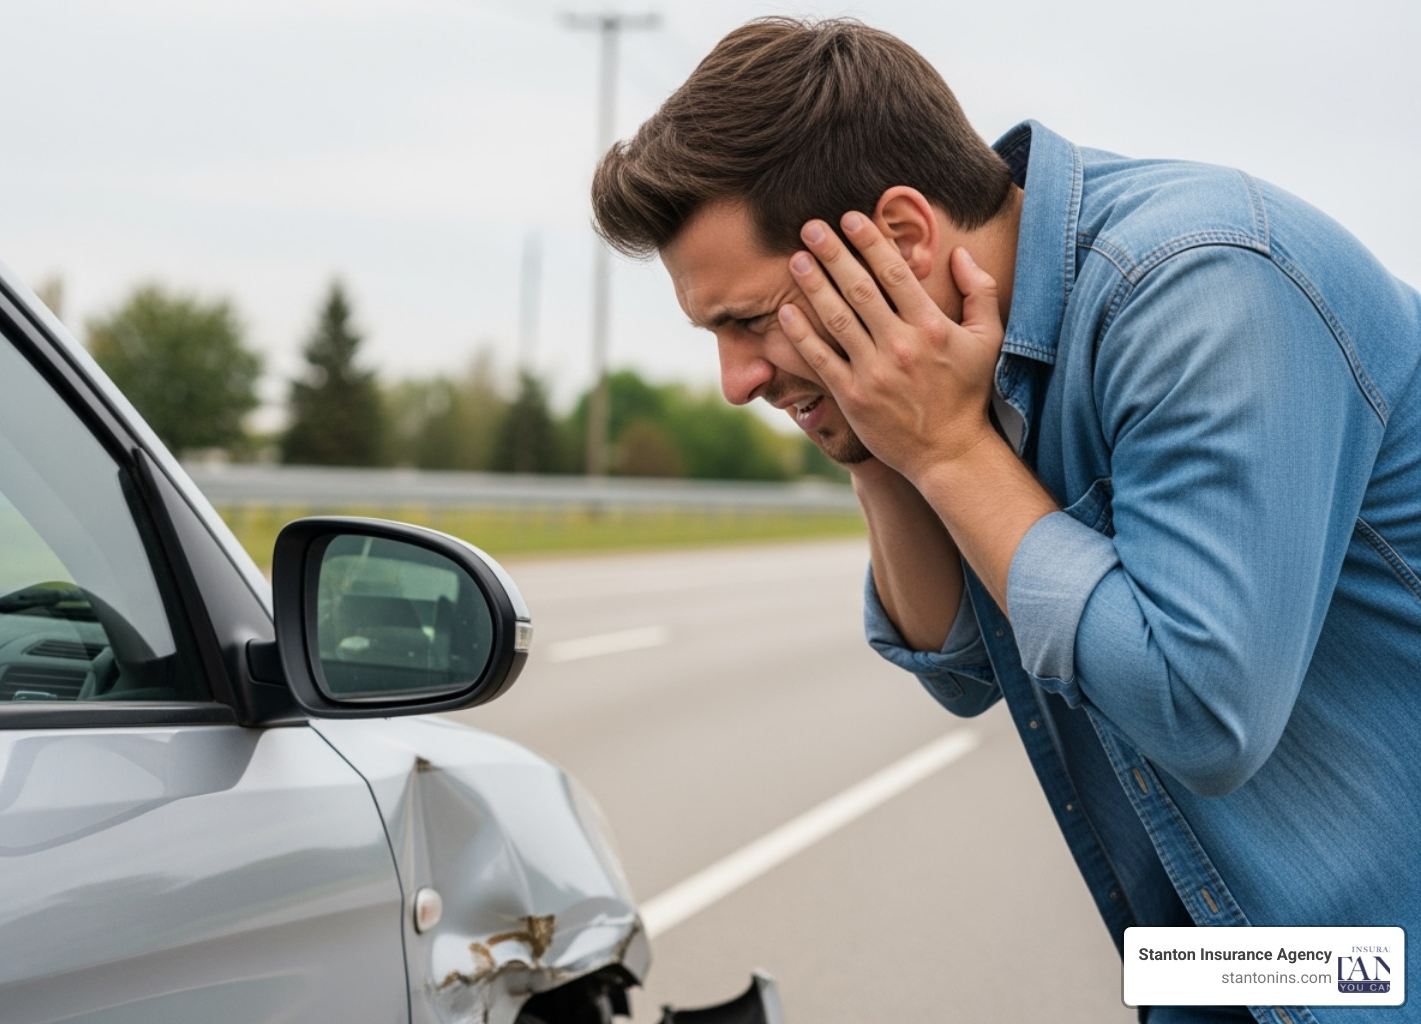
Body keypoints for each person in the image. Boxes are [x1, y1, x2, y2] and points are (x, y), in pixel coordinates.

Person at [590, 16, 1419, 1024]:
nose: (734, 381)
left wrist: (947, 450)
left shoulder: (1200, 285)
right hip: (1255, 975)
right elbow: (958, 666)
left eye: (751, 320)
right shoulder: (975, 353)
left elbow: (1202, 711)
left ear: (900, 238)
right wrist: (884, 439)